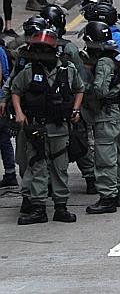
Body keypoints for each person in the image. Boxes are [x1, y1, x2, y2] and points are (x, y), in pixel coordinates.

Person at [9, 24, 85, 224]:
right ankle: (38, 208)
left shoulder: (67, 69)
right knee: (38, 166)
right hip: (37, 128)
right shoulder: (29, 70)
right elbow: (15, 90)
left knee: (60, 168)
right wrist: (19, 112)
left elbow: (80, 88)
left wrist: (76, 110)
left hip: (60, 128)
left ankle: (61, 207)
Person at [80, 20, 120, 214]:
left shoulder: (104, 62)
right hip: (114, 113)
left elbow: (99, 90)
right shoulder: (114, 57)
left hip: (105, 114)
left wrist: (84, 87)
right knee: (114, 154)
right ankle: (116, 193)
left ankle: (107, 197)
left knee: (105, 156)